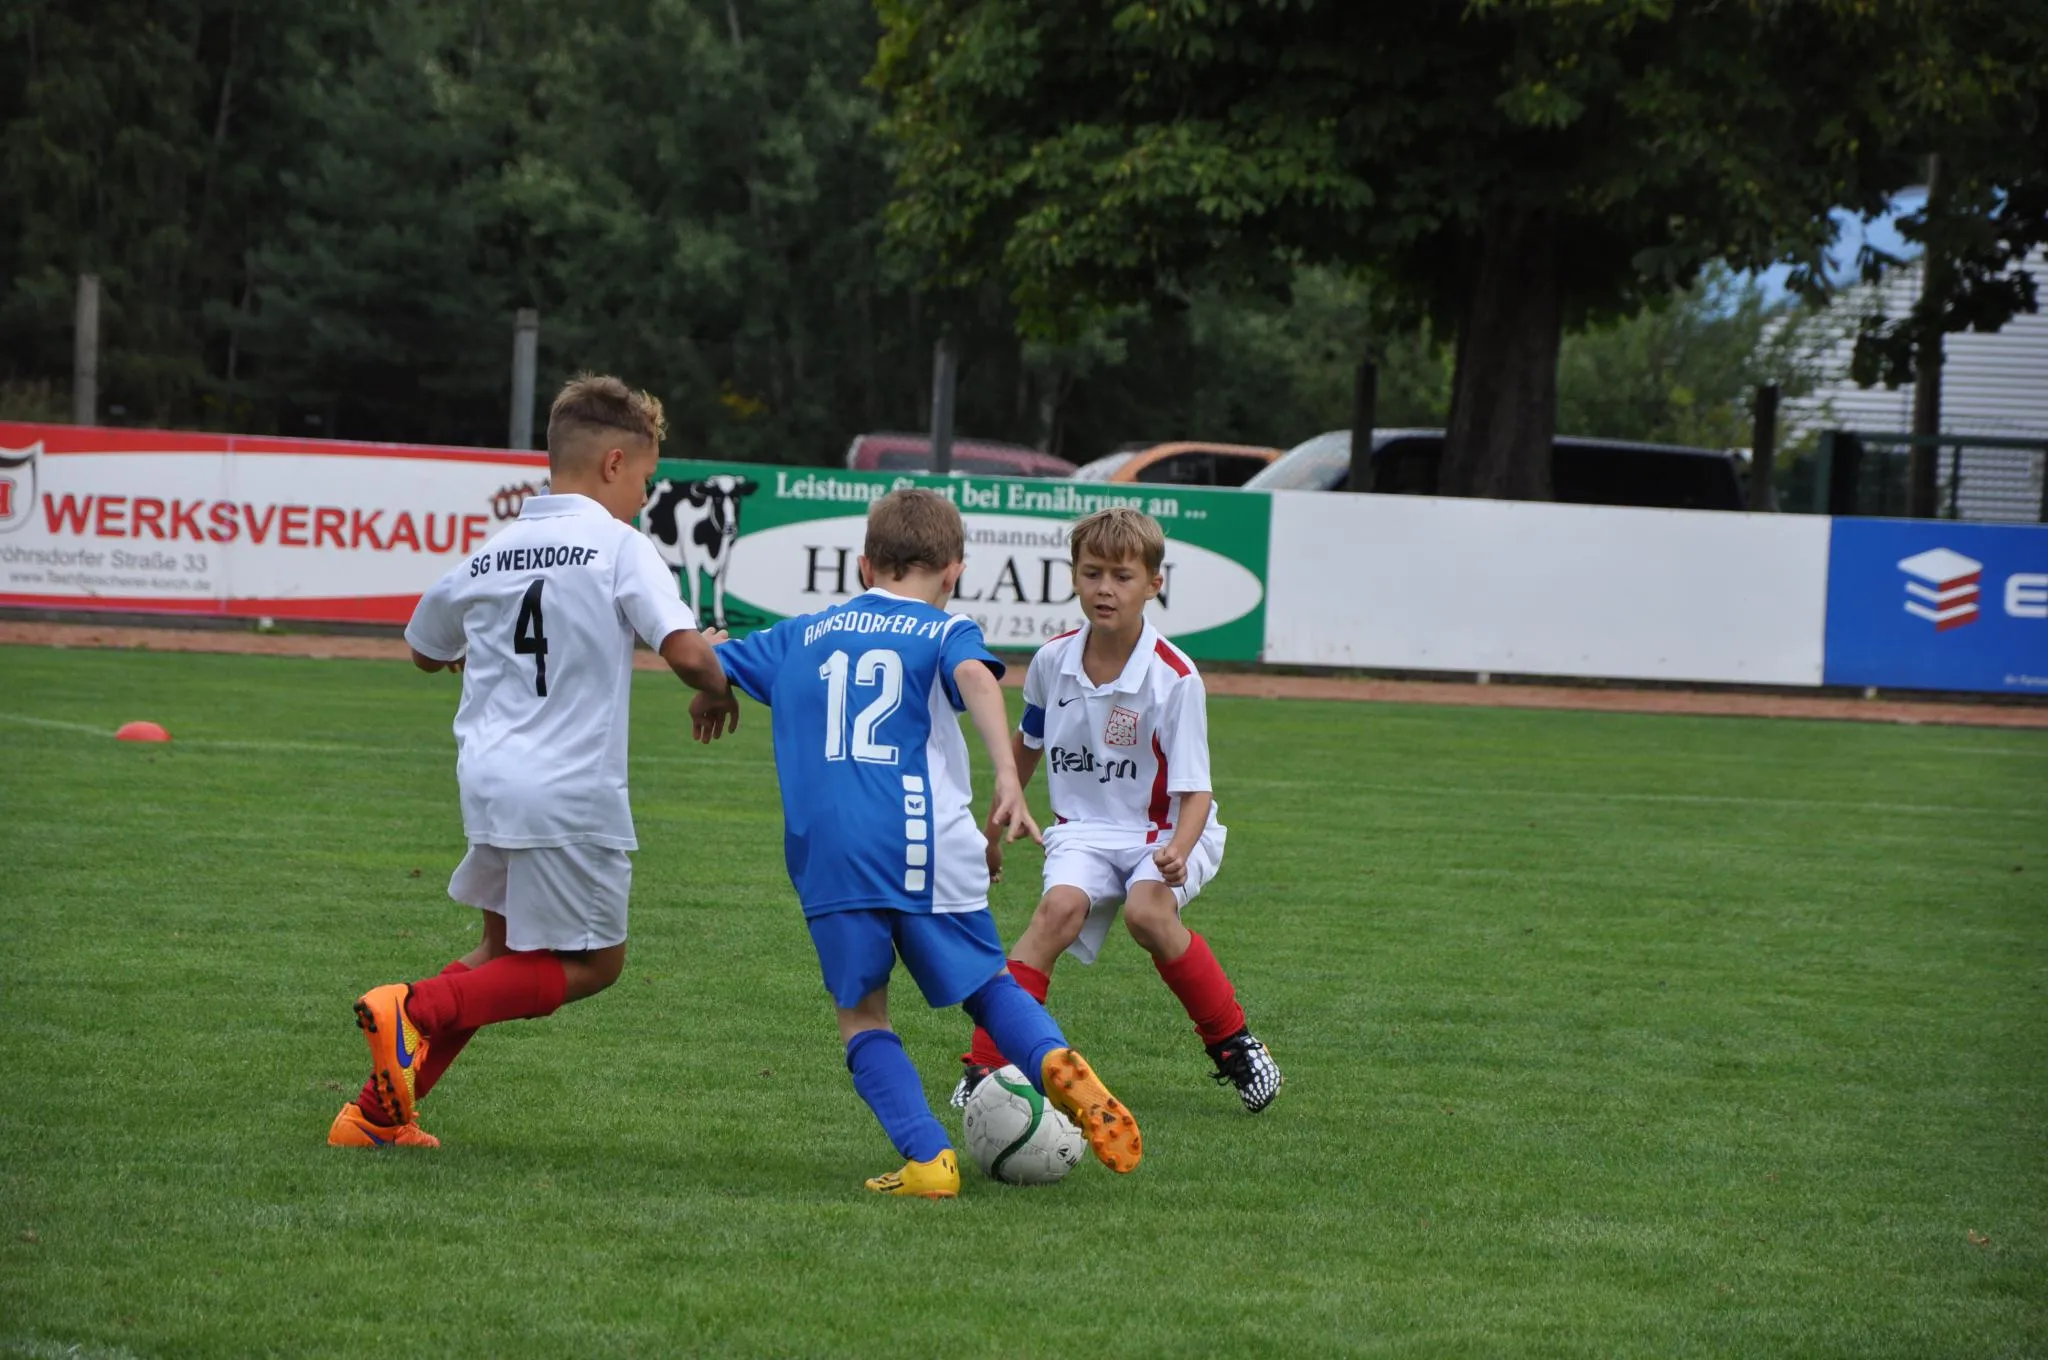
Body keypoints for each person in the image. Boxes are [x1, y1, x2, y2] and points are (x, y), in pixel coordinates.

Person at [689, 488, 1141, 1197]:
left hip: (832, 854)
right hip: (925, 840)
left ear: (864, 566)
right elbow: (975, 677)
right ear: (954, 571)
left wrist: (712, 682)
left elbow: (703, 657)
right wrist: (1007, 775)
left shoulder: (802, 633)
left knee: (863, 1014)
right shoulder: (944, 629)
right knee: (987, 988)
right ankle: (1054, 1061)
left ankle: (929, 1161)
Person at [330, 374, 732, 1149]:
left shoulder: (491, 552)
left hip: (487, 782)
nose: (645, 497)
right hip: (568, 792)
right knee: (597, 964)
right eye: (645, 478)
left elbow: (423, 648)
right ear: (614, 463)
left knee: (501, 954)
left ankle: (374, 1116)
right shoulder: (619, 547)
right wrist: (716, 683)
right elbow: (685, 652)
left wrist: (465, 652)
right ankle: (412, 1009)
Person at [953, 507, 1283, 1114]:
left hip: (1165, 829)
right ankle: (987, 1066)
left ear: (1154, 583)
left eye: (1122, 576)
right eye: (1092, 573)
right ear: (1074, 577)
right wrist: (991, 835)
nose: (1105, 588)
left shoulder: (1175, 677)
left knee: (1147, 913)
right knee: (1056, 913)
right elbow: (1025, 749)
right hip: (1084, 830)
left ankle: (1234, 1043)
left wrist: (1178, 851)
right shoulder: (1052, 661)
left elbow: (1196, 791)